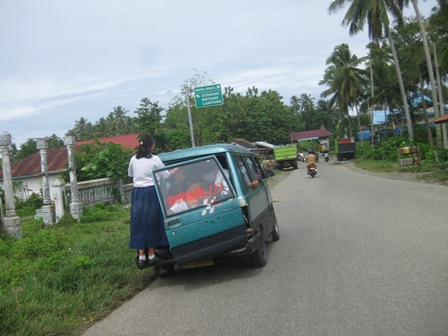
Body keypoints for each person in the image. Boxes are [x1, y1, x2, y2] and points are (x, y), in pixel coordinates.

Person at [128, 135, 170, 269]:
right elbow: (166, 175)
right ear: (151, 145)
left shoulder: (133, 159)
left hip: (137, 193)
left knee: (138, 222)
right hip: (151, 192)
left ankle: (141, 256)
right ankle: (151, 255)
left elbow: (130, 174)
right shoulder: (155, 159)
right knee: (152, 221)